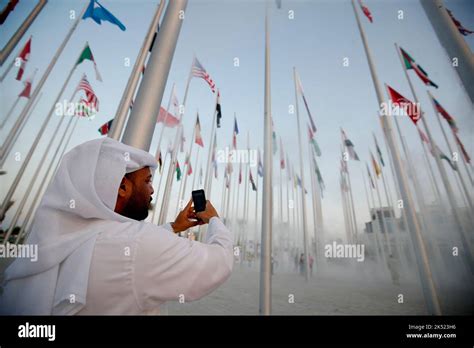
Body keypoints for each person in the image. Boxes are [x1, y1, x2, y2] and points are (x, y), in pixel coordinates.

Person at [0, 138, 234, 315]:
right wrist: (214, 220)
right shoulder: (136, 242)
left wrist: (173, 226)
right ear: (122, 186)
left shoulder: (60, 240)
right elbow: (219, 262)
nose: (152, 190)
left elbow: (115, 246)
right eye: (147, 180)